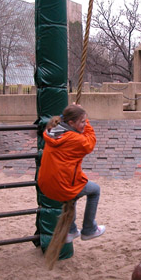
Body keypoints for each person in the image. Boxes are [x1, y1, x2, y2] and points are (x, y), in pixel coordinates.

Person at [37, 103, 106, 242]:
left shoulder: (52, 130)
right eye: (82, 122)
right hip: (61, 186)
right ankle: (89, 229)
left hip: (45, 185)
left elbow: (65, 119)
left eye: (85, 121)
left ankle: (71, 230)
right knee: (94, 190)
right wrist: (87, 122)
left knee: (73, 194)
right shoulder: (74, 139)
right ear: (70, 122)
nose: (84, 124)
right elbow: (90, 142)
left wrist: (75, 111)